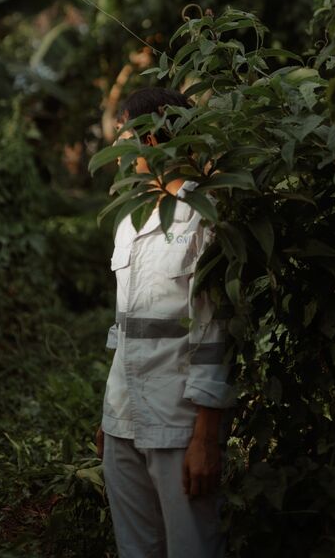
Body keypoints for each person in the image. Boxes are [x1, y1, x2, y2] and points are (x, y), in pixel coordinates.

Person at [96, 87, 235, 558]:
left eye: (124, 133)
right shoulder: (129, 221)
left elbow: (215, 333)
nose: (117, 146)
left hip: (178, 426)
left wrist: (206, 438)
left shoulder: (204, 218)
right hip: (124, 422)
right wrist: (110, 414)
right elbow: (125, 329)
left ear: (154, 139)